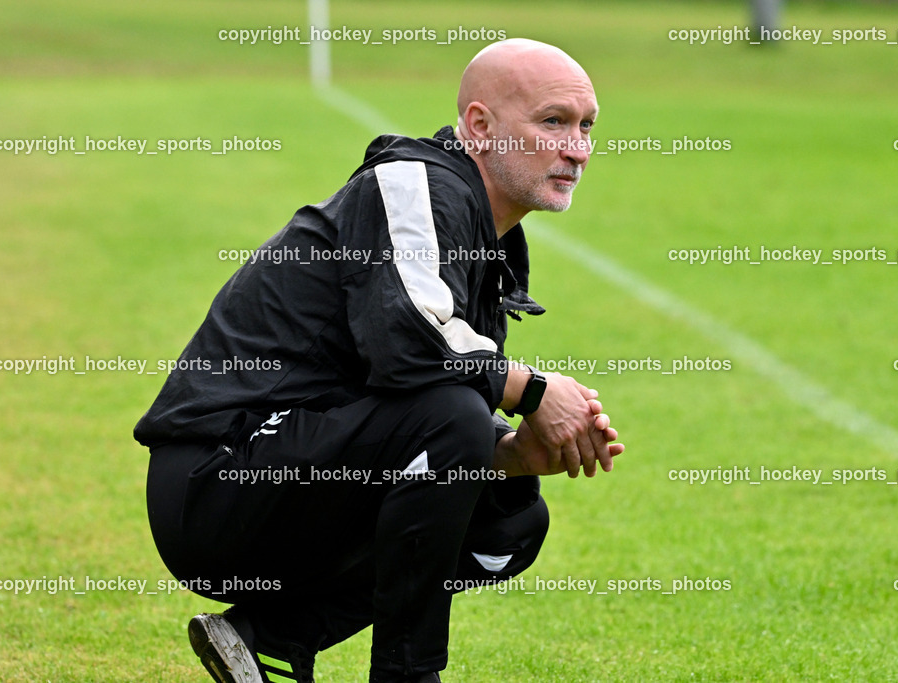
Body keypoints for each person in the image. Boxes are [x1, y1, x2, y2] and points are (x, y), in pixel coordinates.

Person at [134, 38, 624, 683]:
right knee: (451, 415)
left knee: (509, 518)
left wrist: (507, 454)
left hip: (303, 480)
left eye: (587, 126)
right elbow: (412, 346)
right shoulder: (415, 182)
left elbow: (433, 387)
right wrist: (533, 393)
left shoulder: (491, 234)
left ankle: (269, 639)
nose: (577, 147)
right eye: (553, 122)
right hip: (221, 481)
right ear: (479, 126)